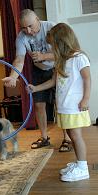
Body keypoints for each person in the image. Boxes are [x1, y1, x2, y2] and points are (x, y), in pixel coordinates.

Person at [28, 23, 91, 182]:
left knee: (76, 136)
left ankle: (83, 168)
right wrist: (35, 89)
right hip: (64, 106)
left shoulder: (79, 57)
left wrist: (86, 99)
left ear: (62, 42)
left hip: (75, 106)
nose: (52, 48)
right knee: (70, 134)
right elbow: (53, 81)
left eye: (54, 45)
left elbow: (87, 79)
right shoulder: (61, 61)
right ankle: (79, 163)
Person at [2, 9, 71, 150]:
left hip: (58, 67)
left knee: (61, 104)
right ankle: (44, 137)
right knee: (39, 104)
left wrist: (43, 56)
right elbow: (19, 59)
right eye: (24, 27)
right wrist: (13, 77)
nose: (27, 30)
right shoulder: (21, 37)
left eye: (30, 26)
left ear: (38, 20)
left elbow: (64, 52)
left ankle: (67, 138)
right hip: (39, 70)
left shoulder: (51, 27)